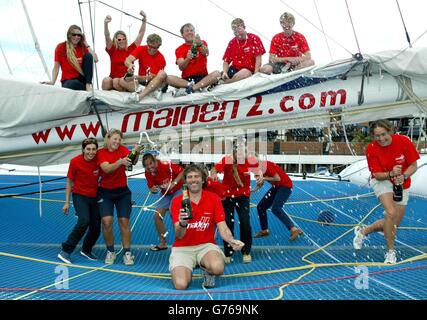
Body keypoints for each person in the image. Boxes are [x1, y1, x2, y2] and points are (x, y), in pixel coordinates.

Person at [353, 120, 419, 264]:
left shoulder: (403, 141)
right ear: (373, 136)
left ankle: (364, 231)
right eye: (377, 136)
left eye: (384, 134)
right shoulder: (371, 148)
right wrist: (391, 173)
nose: (381, 139)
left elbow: (414, 165)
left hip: (402, 182)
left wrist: (404, 176)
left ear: (390, 131)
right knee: (391, 212)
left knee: (393, 224)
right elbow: (377, 174)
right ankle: (390, 251)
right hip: (382, 180)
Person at [169, 164, 244, 290]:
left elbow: (223, 227)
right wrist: (182, 223)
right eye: (190, 177)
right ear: (186, 181)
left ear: (203, 179)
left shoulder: (214, 199)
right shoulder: (177, 201)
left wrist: (231, 241)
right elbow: (179, 235)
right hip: (183, 248)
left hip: (206, 246)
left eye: (196, 176)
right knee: (181, 285)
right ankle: (185, 269)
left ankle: (207, 270)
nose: (193, 180)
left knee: (218, 268)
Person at [97, 129, 142, 265]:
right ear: (108, 138)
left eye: (119, 139)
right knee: (107, 222)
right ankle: (110, 251)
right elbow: (107, 169)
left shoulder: (122, 150)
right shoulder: (101, 153)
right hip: (105, 192)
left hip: (122, 192)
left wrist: (136, 152)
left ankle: (127, 253)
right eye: (115, 139)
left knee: (124, 221)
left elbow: (132, 162)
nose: (117, 142)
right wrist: (120, 162)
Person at [210, 143, 256, 264]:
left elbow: (260, 170)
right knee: (228, 222)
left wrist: (260, 176)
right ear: (234, 153)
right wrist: (214, 174)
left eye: (243, 153)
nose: (240, 155)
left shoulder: (250, 161)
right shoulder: (227, 160)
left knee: (245, 221)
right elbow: (214, 169)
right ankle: (228, 251)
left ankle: (246, 251)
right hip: (228, 196)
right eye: (238, 153)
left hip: (243, 196)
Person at [58, 138, 101, 264]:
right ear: (83, 149)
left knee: (96, 226)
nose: (91, 152)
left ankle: (86, 249)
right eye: (88, 149)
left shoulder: (98, 160)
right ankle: (65, 251)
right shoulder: (75, 161)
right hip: (80, 196)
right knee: (84, 221)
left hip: (94, 196)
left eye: (94, 149)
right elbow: (69, 182)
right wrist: (66, 202)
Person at [251, 159, 303, 241]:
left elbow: (277, 178)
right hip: (277, 187)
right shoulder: (256, 169)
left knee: (276, 208)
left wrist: (263, 177)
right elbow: (260, 182)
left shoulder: (266, 165)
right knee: (260, 207)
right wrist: (254, 190)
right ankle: (265, 230)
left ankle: (293, 229)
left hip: (285, 186)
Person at [142, 153, 184, 251]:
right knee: (157, 216)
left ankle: (181, 242)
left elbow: (182, 171)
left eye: (151, 163)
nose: (149, 167)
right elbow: (151, 186)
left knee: (174, 212)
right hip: (166, 193)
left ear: (155, 161)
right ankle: (163, 243)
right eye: (146, 166)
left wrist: (174, 183)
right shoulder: (147, 172)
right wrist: (152, 189)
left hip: (178, 189)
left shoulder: (165, 164)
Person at [167, 23, 221, 96]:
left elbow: (206, 53)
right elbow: (181, 67)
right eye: (187, 31)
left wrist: (200, 44)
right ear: (182, 35)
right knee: (167, 78)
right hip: (187, 80)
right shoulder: (179, 49)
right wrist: (188, 59)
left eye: (191, 30)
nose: (189, 32)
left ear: (194, 33)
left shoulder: (202, 42)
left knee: (217, 73)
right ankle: (195, 87)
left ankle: (192, 89)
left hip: (203, 78)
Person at [42, 25, 98, 91]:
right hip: (68, 81)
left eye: (79, 35)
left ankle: (88, 85)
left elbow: (95, 59)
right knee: (74, 84)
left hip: (82, 80)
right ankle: (85, 88)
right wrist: (52, 82)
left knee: (88, 56)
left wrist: (86, 43)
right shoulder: (61, 47)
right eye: (74, 34)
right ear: (69, 35)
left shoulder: (83, 48)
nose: (76, 37)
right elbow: (56, 67)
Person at [102, 10, 147, 91]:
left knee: (116, 81)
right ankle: (104, 100)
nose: (122, 41)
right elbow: (107, 36)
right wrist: (106, 24)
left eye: (124, 38)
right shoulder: (112, 50)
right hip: (113, 79)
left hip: (127, 79)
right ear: (115, 40)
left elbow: (141, 33)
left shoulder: (131, 49)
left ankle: (125, 98)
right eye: (119, 39)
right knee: (106, 80)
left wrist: (144, 19)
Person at [123, 34, 168, 102]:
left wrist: (136, 77)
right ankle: (148, 92)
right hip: (142, 82)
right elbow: (127, 60)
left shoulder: (161, 58)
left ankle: (141, 95)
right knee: (120, 80)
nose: (152, 50)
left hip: (153, 83)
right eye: (150, 46)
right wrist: (129, 65)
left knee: (162, 74)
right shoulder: (141, 48)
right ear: (147, 43)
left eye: (155, 48)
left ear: (158, 47)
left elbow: (151, 77)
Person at [221, 18, 265, 84]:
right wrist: (224, 72)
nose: (237, 32)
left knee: (244, 72)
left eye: (239, 29)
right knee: (216, 74)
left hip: (249, 71)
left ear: (244, 27)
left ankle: (226, 84)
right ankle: (218, 83)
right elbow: (226, 60)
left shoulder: (254, 38)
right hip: (234, 70)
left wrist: (256, 74)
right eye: (234, 30)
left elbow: (258, 58)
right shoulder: (232, 42)